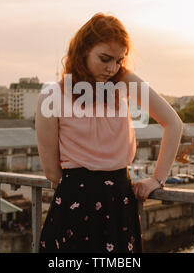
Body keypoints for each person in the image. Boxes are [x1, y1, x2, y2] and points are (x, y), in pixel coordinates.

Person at [35, 13, 183, 253]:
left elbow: (174, 124)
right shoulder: (56, 94)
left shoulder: (57, 94)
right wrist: (156, 177)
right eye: (105, 59)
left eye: (119, 60)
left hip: (82, 200)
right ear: (83, 50)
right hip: (113, 201)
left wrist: (157, 179)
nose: (112, 68)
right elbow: (50, 171)